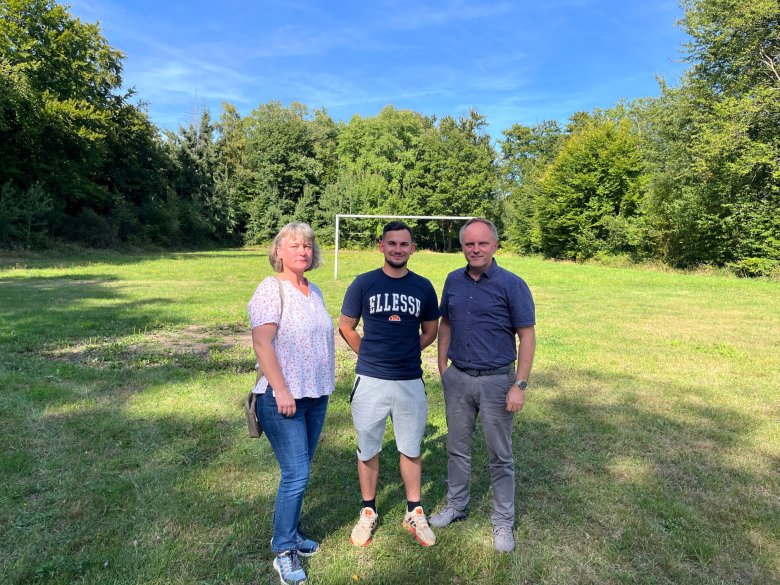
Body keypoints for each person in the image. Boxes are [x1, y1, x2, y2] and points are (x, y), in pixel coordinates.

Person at [430, 217, 536, 553]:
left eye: (482, 243)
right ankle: (456, 506)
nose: (475, 249)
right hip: (458, 378)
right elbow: (445, 322)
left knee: (500, 456)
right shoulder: (452, 281)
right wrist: (442, 364)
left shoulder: (512, 284)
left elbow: (527, 335)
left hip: (497, 382)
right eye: (469, 244)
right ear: (462, 247)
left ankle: (503, 522)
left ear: (495, 246)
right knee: (456, 449)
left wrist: (520, 384)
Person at [339, 221, 440, 547]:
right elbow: (346, 326)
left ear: (412, 248)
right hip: (370, 379)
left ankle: (414, 510)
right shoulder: (364, 283)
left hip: (409, 379)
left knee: (411, 447)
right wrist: (369, 354)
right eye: (392, 243)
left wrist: (407, 352)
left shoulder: (423, 287)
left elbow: (430, 331)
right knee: (368, 447)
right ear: (381, 245)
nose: (398, 249)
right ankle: (368, 511)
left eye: (404, 244)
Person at [248, 222, 335, 585]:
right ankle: (284, 549)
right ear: (279, 252)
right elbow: (262, 344)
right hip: (281, 398)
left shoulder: (313, 291)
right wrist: (282, 390)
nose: (303, 251)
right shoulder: (271, 290)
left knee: (300, 472)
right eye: (295, 245)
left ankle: (292, 531)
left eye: (308, 246)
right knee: (296, 474)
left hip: (315, 395)